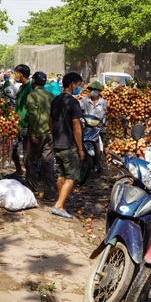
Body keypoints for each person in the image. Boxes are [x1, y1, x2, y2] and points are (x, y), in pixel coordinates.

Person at [50, 72, 85, 219]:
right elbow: (76, 126)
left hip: (57, 143)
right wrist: (80, 148)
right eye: (78, 84)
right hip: (69, 144)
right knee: (71, 176)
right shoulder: (73, 102)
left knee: (61, 174)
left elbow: (50, 122)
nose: (78, 87)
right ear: (72, 84)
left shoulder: (56, 100)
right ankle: (58, 205)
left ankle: (61, 203)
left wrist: (54, 136)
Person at [25, 71, 57, 200]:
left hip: (37, 133)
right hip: (49, 133)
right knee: (48, 162)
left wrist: (32, 132)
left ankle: (32, 191)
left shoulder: (32, 96)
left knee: (30, 161)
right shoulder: (51, 95)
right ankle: (50, 193)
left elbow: (33, 115)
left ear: (33, 82)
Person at [78, 80, 108, 172]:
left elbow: (106, 115)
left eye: (95, 90)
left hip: (97, 128)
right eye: (91, 90)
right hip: (86, 126)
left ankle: (97, 164)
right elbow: (78, 108)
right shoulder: (85, 101)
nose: (93, 92)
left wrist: (104, 123)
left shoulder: (103, 102)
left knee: (98, 145)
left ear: (99, 91)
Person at [11, 64, 33, 176]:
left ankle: (31, 176)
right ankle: (19, 169)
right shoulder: (21, 87)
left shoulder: (30, 88)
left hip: (26, 125)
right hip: (17, 124)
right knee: (13, 148)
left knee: (27, 152)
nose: (14, 75)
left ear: (20, 74)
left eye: (15, 73)